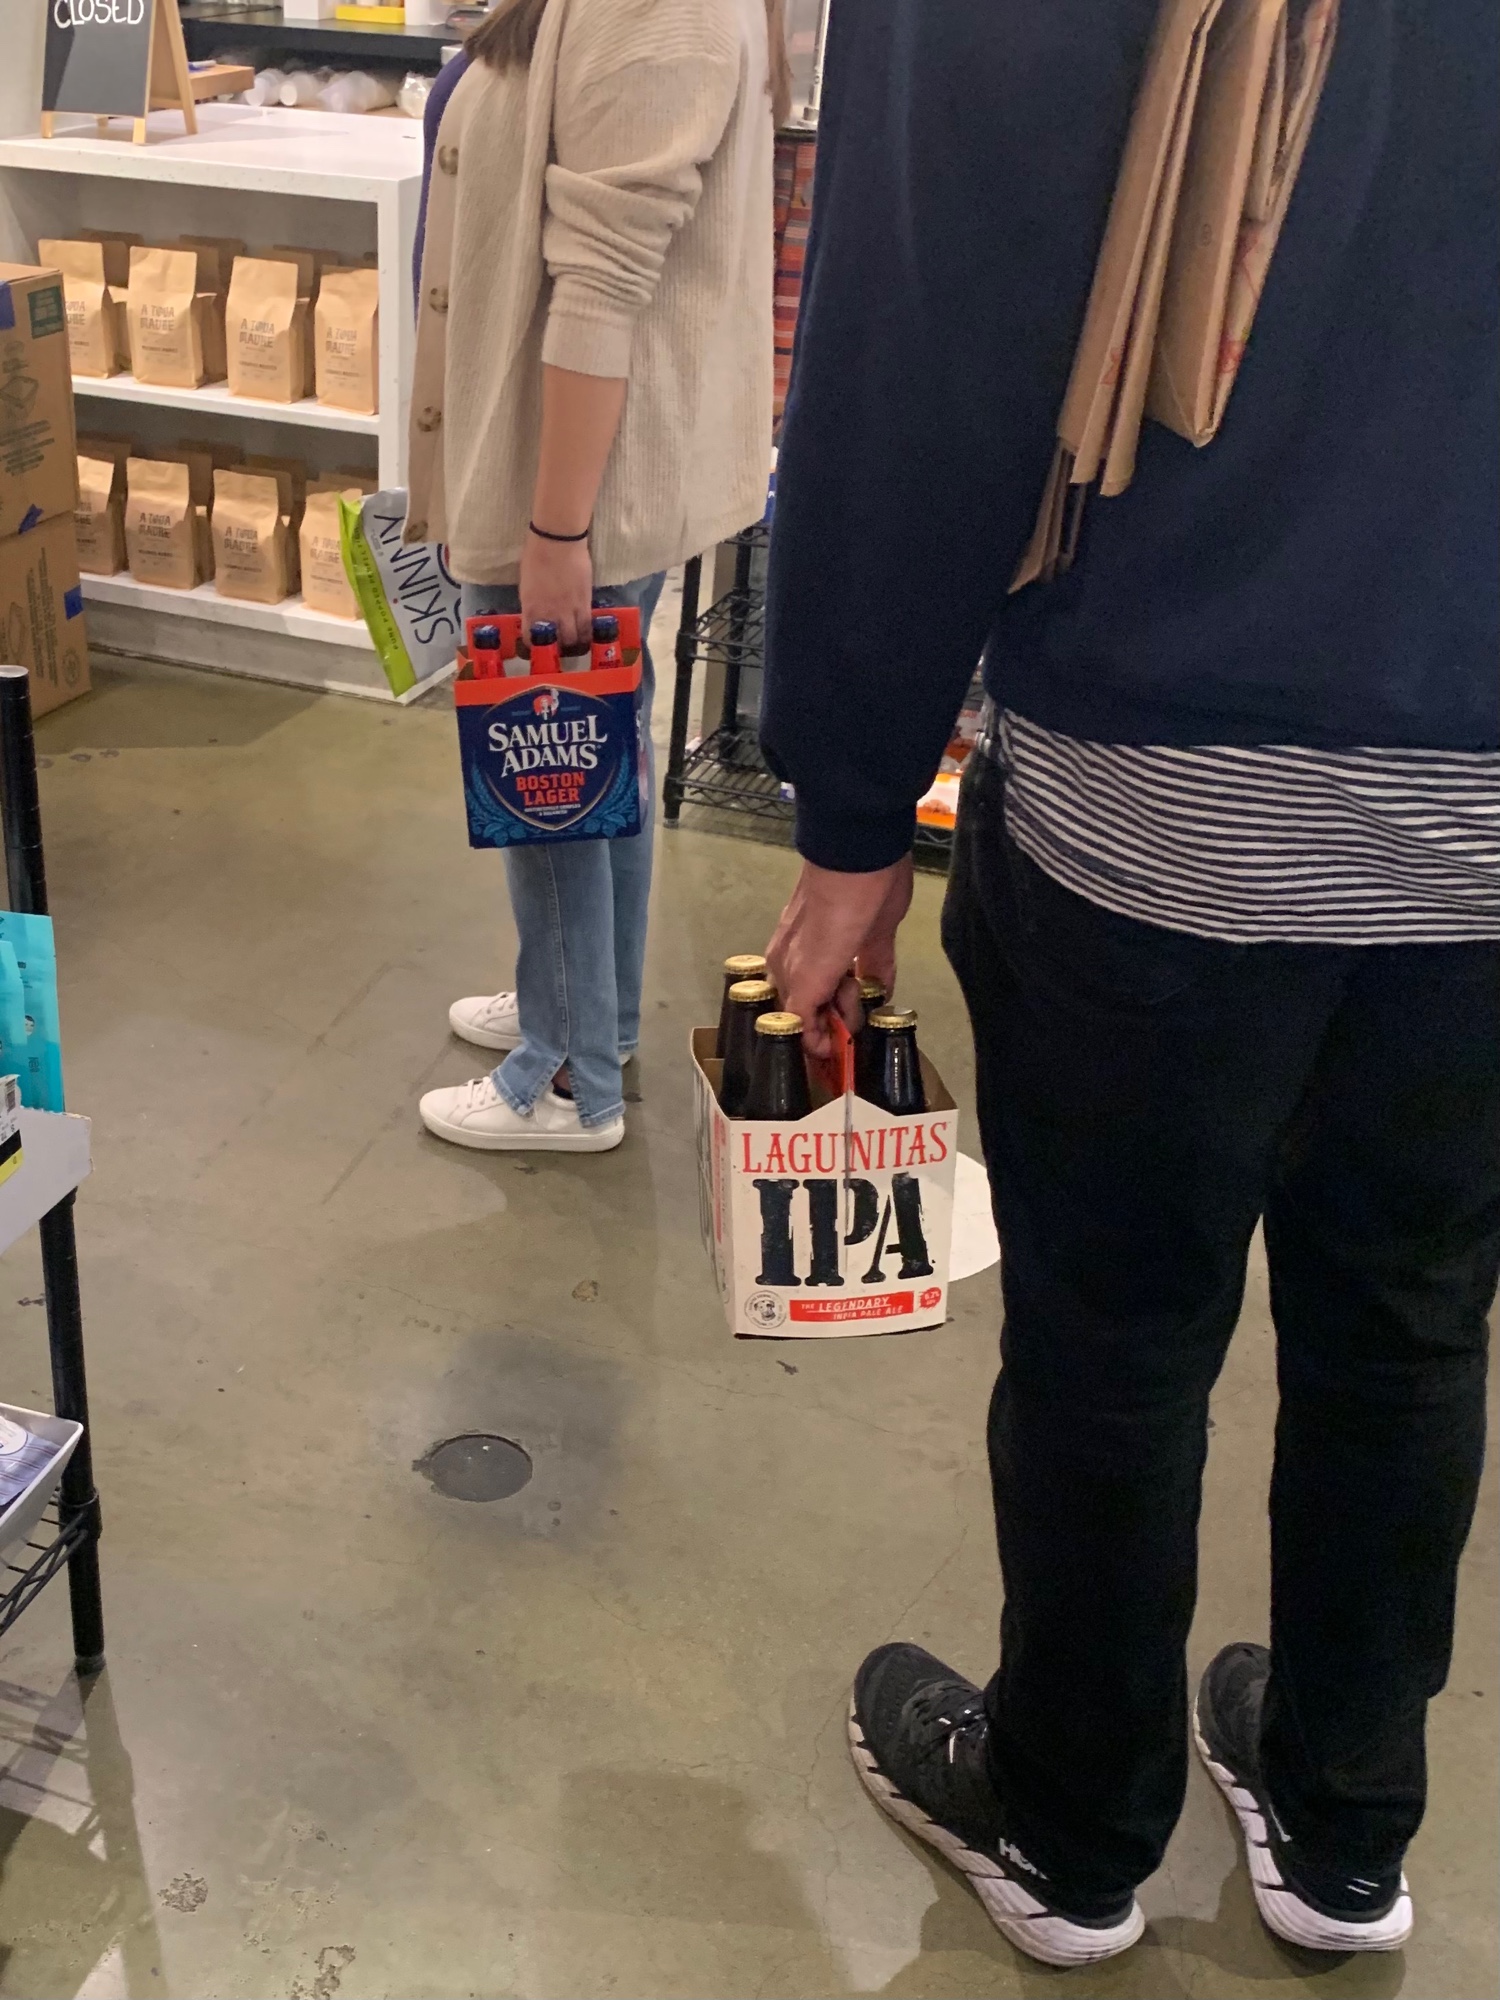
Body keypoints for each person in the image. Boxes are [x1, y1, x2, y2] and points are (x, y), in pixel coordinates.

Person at [761, 0, 1498, 1970]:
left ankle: (1073, 1825)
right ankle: (1346, 1825)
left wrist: (853, 801)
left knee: (1117, 1335)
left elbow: (930, 321)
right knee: (1411, 1315)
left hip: (1172, 745)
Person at [407, 0, 782, 1152]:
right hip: (566, 470)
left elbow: (606, 281)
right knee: (592, 760)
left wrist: (555, 529)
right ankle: (588, 1014)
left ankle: (566, 1079)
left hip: (572, 479)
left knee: (549, 772)